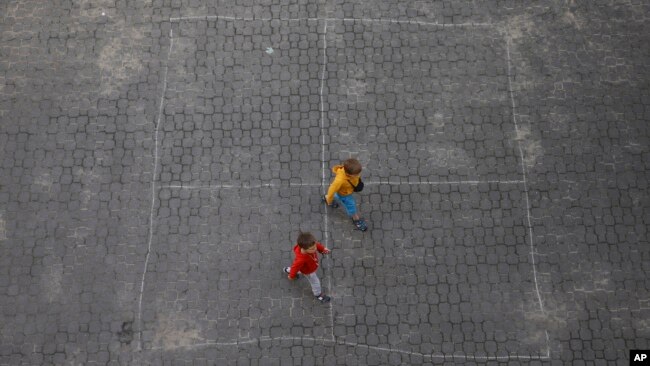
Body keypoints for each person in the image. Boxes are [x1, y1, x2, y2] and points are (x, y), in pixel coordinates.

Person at [284, 232, 331, 303]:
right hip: (308, 271)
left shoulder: (310, 245)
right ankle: (318, 294)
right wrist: (291, 276)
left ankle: (288, 270)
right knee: (315, 282)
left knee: (298, 269)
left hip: (305, 267)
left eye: (314, 247)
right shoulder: (301, 259)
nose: (315, 249)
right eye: (312, 249)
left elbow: (317, 245)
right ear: (303, 248)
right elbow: (295, 267)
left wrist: (322, 249)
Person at [322, 158, 368, 231]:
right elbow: (331, 190)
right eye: (356, 174)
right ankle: (356, 219)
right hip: (345, 194)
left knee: (336, 195)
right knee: (351, 206)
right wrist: (329, 200)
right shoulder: (339, 180)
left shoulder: (349, 170)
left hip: (344, 191)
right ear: (348, 174)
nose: (358, 175)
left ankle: (326, 198)